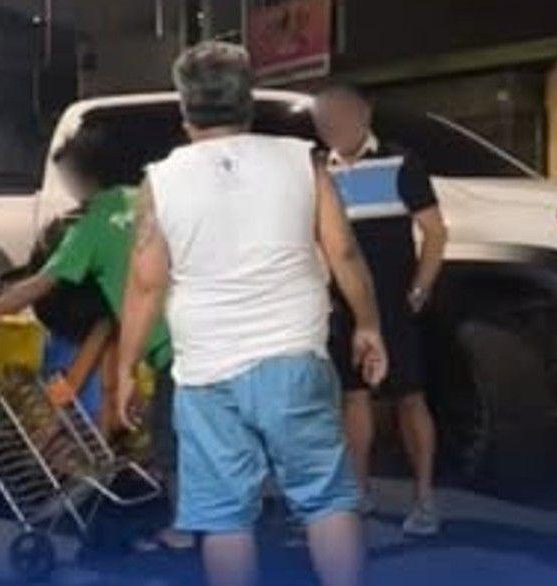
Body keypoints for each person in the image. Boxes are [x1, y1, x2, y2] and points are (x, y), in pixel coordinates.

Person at [115, 41, 387, 586]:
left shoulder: (161, 181)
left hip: (207, 375)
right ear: (248, 102)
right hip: (295, 361)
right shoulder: (301, 161)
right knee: (328, 500)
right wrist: (368, 324)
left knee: (222, 518)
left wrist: (125, 369)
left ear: (185, 107)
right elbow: (345, 253)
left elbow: (146, 285)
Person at [0, 128, 193, 551]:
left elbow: (40, 284)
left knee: (171, 439)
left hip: (174, 346)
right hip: (203, 330)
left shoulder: (95, 223)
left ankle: (188, 531)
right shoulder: (151, 200)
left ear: (86, 177)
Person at [313, 85, 449, 536]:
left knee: (410, 396)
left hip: (394, 304)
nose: (332, 125)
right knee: (353, 398)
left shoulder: (399, 162)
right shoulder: (317, 169)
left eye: (340, 114)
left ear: (364, 113)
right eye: (323, 118)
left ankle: (425, 498)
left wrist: (419, 289)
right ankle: (359, 490)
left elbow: (434, 232)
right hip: (342, 305)